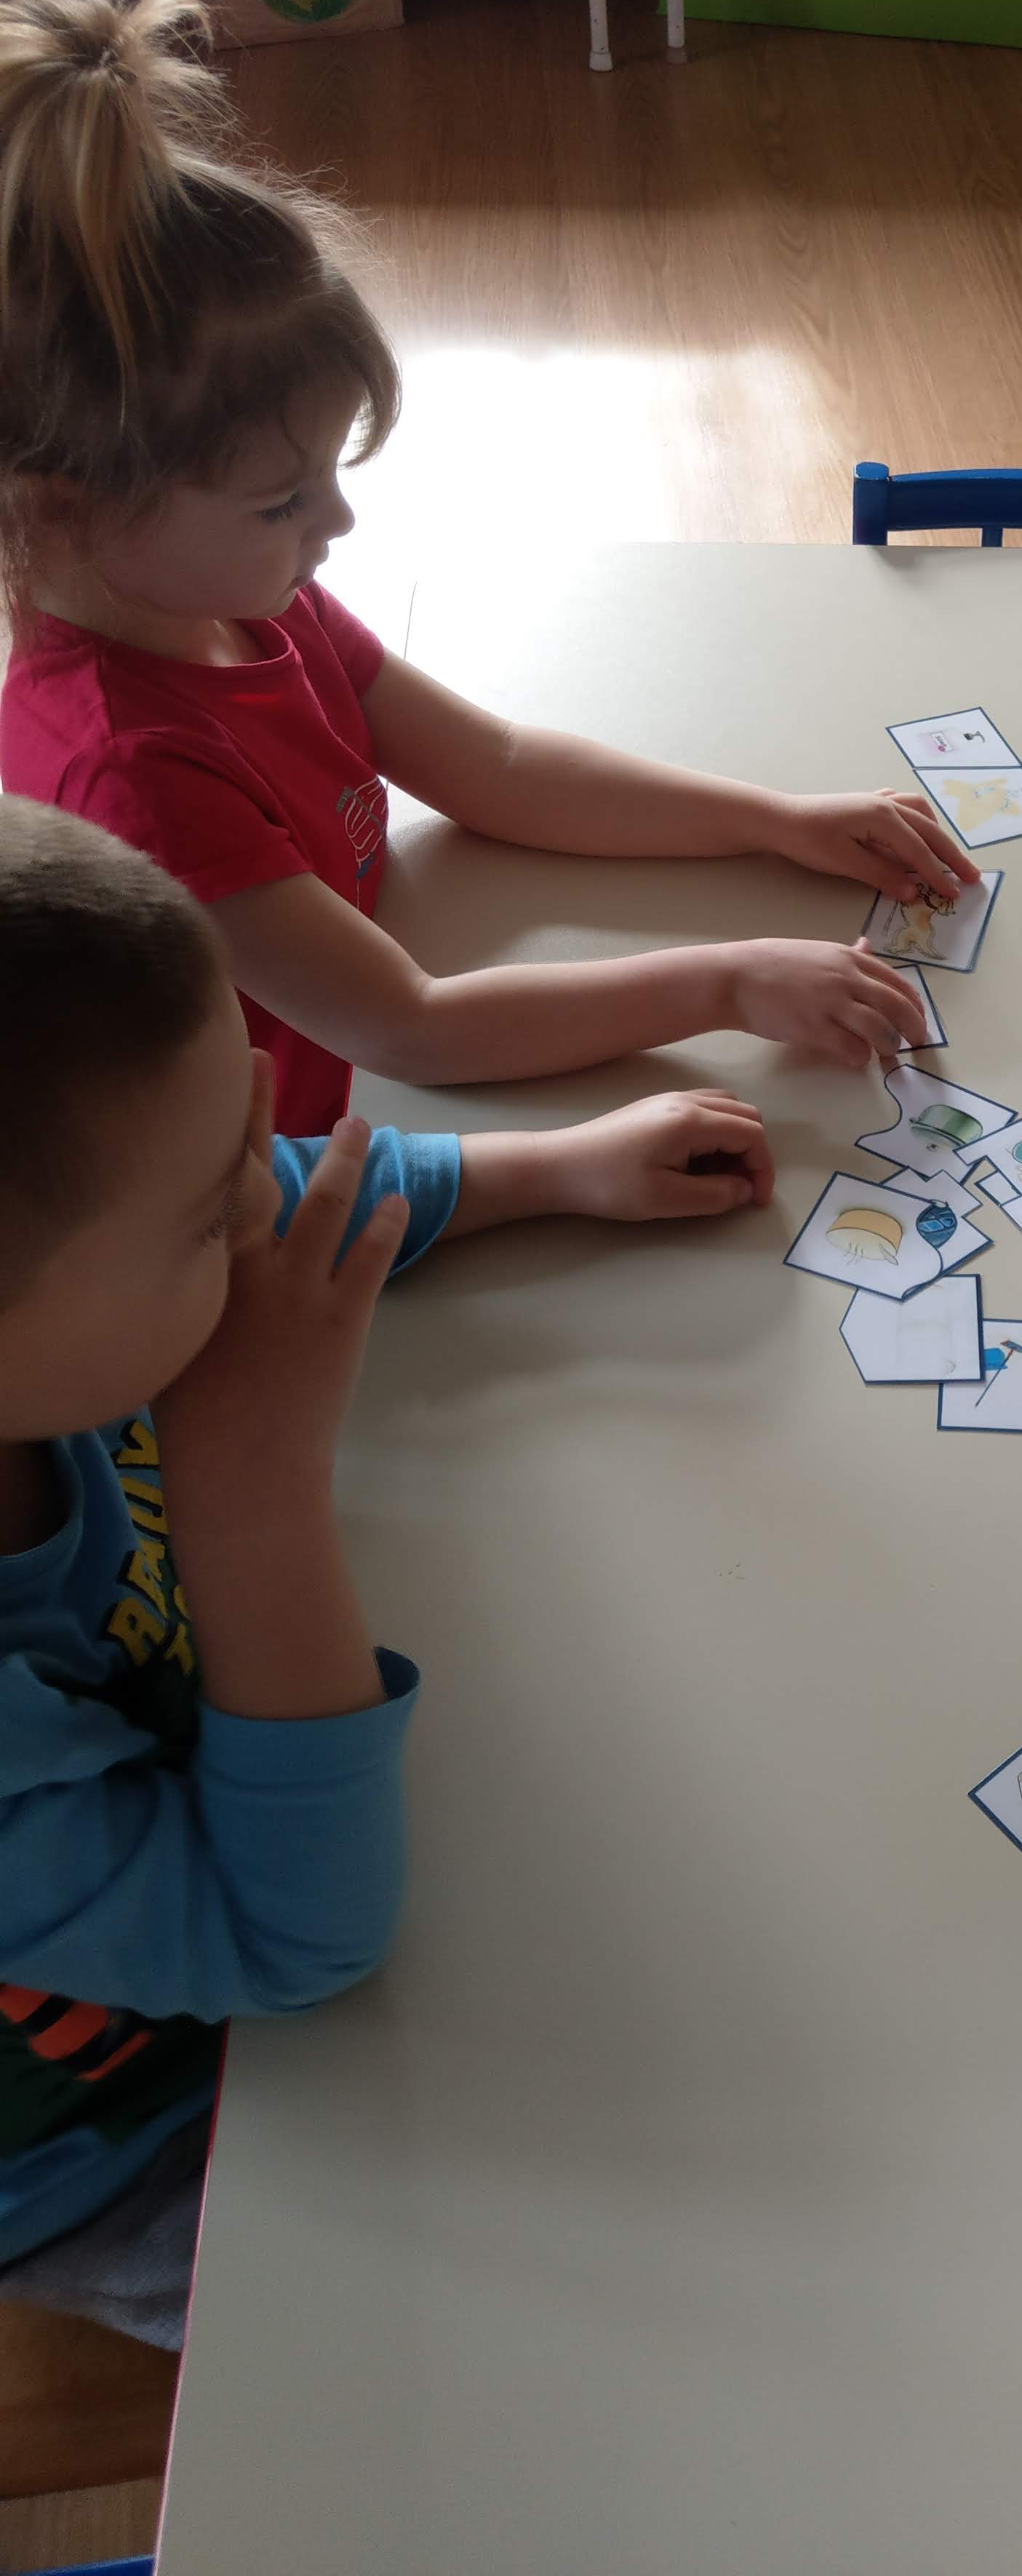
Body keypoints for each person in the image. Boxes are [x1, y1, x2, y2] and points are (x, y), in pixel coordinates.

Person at [0, 799, 779, 2349]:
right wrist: (255, 1498)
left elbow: (284, 1194)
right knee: (511, 2341)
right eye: (205, 1217)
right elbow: (290, 1939)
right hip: (114, 2140)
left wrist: (548, 1173)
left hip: (259, 1839)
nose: (261, 1199)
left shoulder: (76, 1298)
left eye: (241, 1136)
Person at [0, 0, 975, 1138]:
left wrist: (776, 818)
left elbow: (497, 768)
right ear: (68, 510)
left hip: (414, 1021)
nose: (337, 524)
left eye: (328, 476)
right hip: (307, 1161)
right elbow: (408, 1028)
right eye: (281, 501)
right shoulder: (128, 772)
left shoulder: (236, 596)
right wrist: (726, 983)